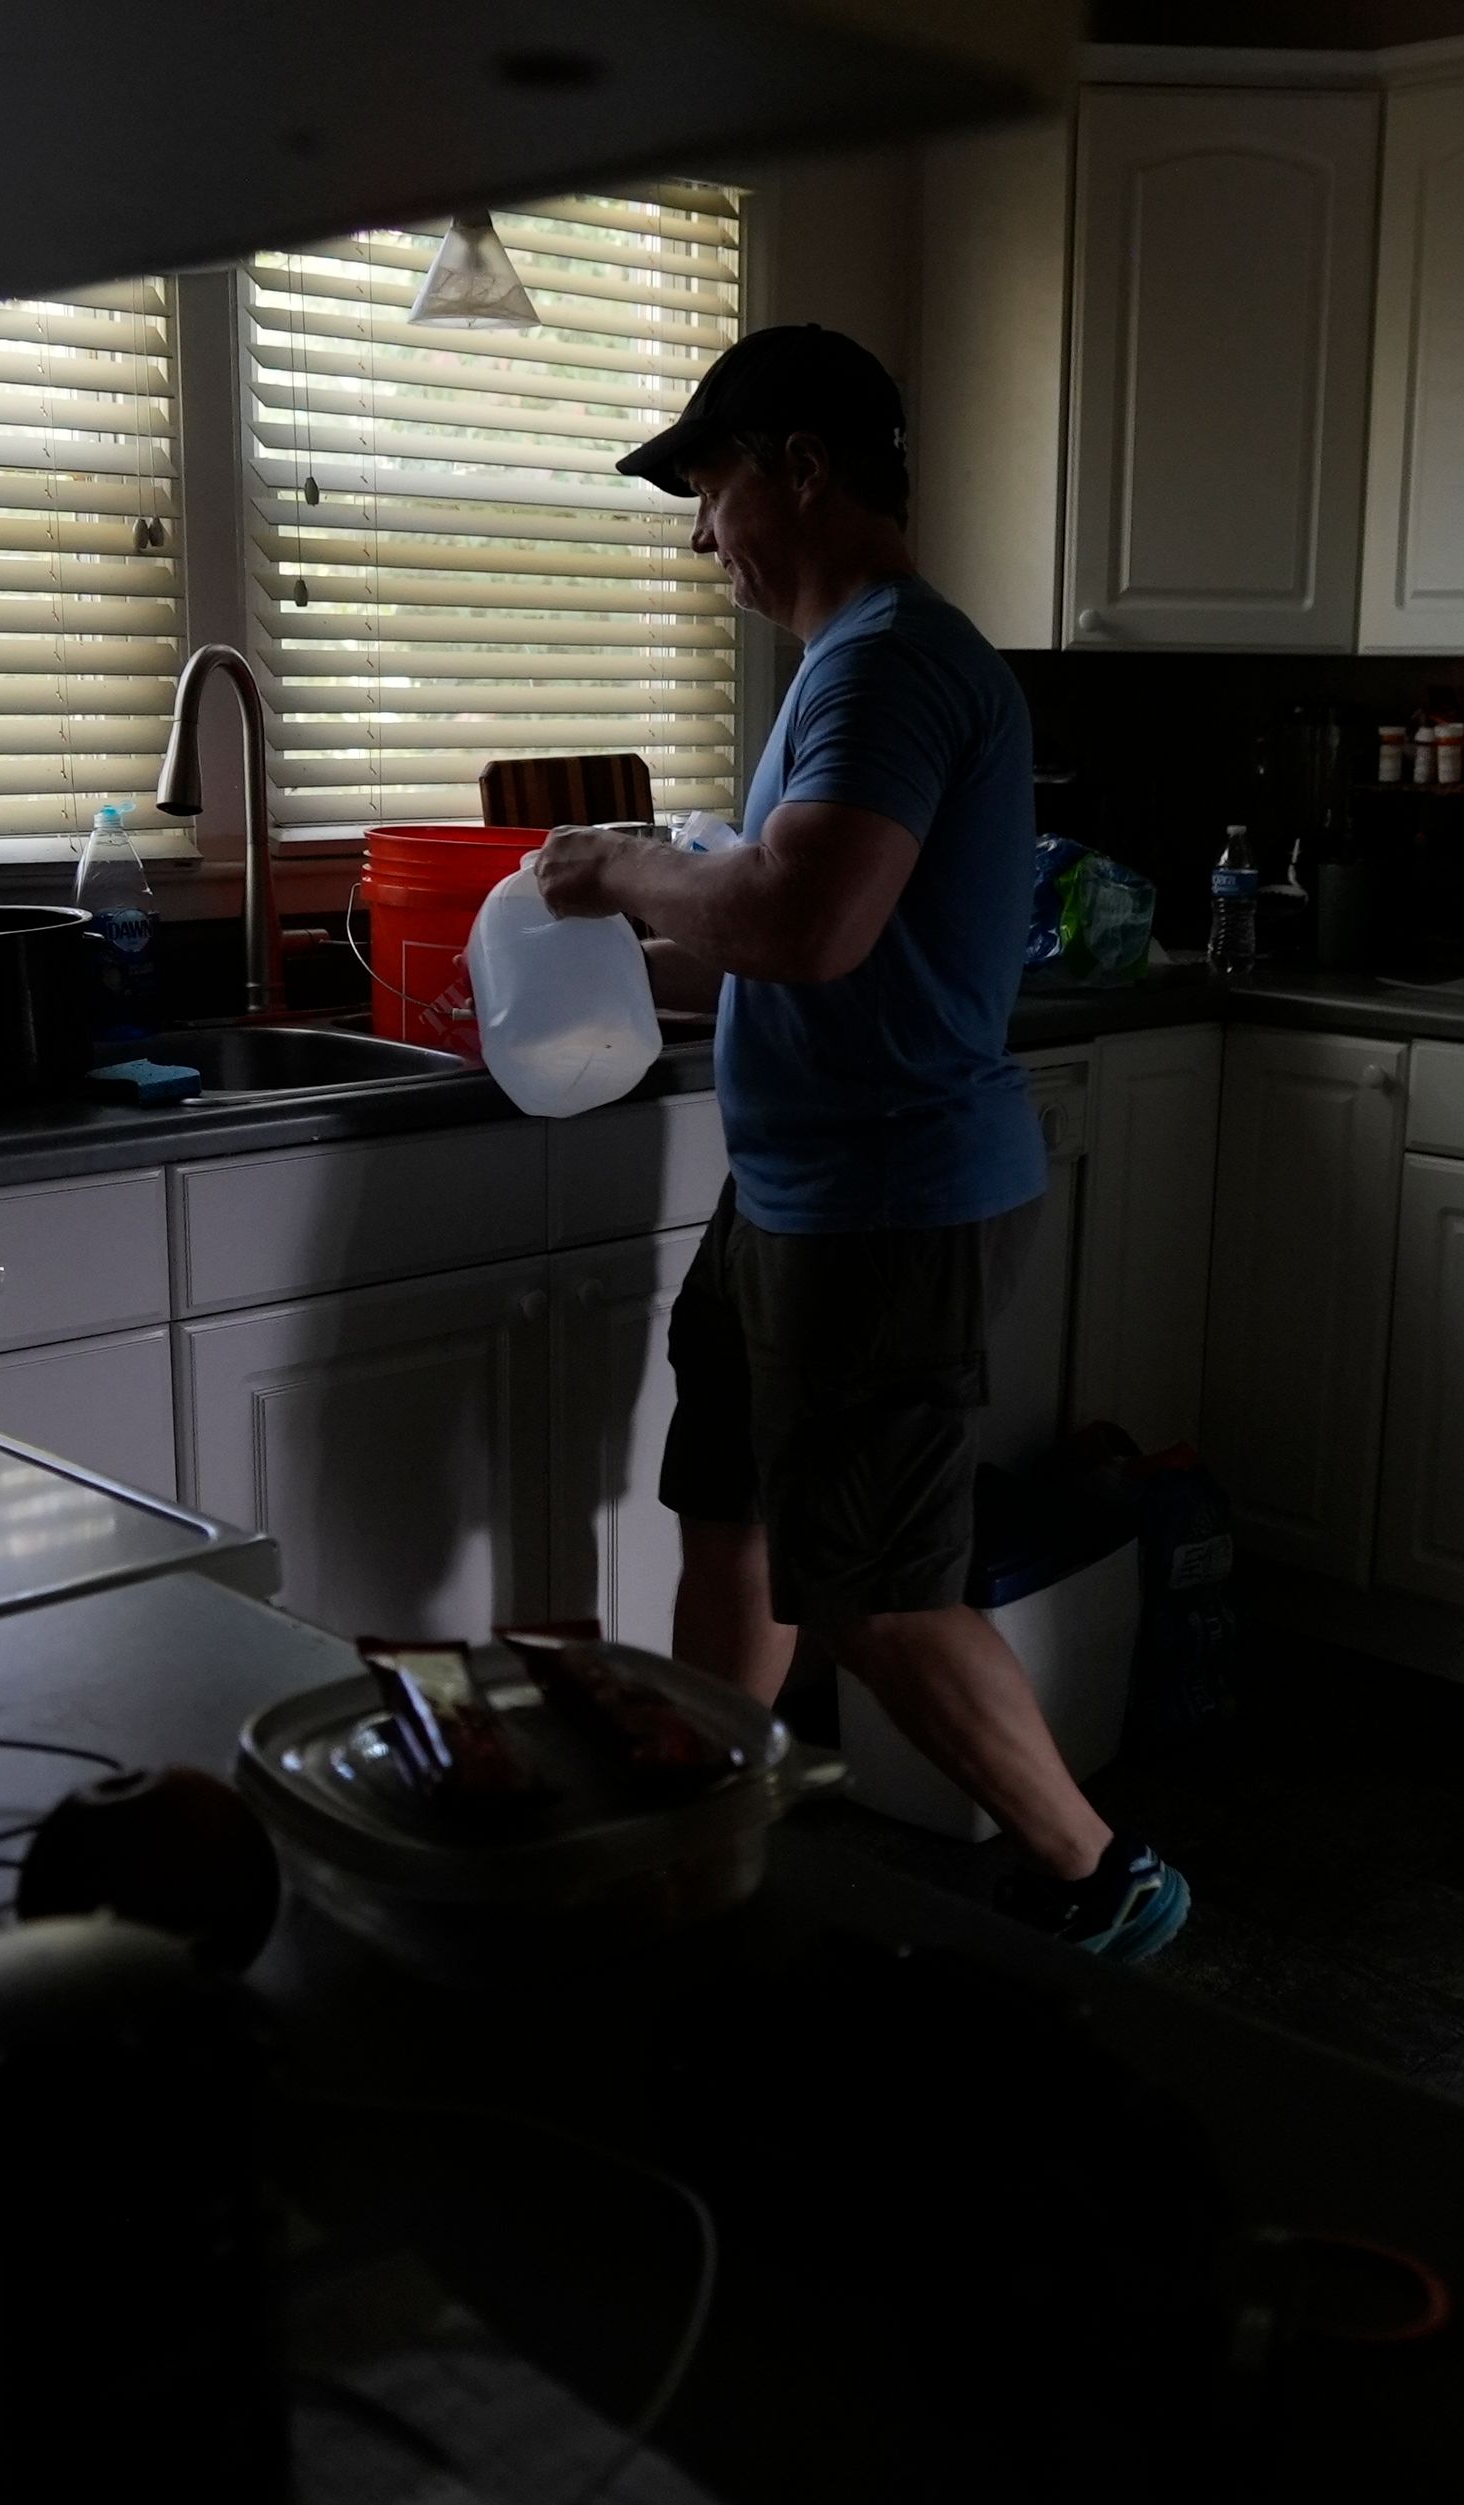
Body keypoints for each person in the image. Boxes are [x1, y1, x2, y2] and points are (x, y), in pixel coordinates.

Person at [529, 325, 1190, 1963]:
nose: (703, 537)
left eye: (712, 491)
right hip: (796, 1194)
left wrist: (616, 872)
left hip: (886, 1211)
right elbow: (788, 929)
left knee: (876, 1590)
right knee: (735, 1517)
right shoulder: (845, 667)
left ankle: (1104, 1878)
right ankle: (701, 1839)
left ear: (802, 470)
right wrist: (604, 949)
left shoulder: (894, 662)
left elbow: (808, 916)